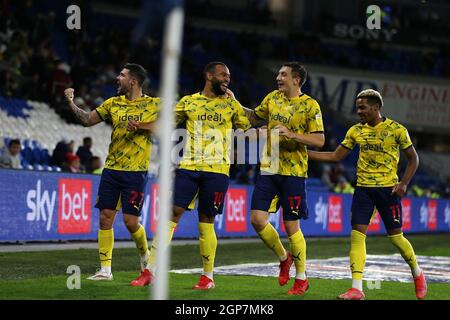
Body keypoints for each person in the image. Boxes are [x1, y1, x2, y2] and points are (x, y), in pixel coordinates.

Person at [130, 61, 252, 289]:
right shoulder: (189, 102)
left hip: (217, 171)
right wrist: (141, 125)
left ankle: (207, 277)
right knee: (171, 214)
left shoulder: (230, 106)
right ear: (209, 76)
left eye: (229, 76)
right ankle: (150, 270)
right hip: (189, 167)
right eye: (223, 75)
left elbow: (248, 126)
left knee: (206, 221)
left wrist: (236, 103)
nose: (227, 79)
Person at [308, 89, 427, 300]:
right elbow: (336, 156)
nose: (359, 111)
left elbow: (413, 159)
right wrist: (305, 154)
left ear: (376, 107)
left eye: (362, 107)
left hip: (388, 190)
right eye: (357, 108)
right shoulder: (355, 131)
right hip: (363, 190)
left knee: (396, 238)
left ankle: (417, 273)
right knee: (357, 235)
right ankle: (356, 288)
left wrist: (404, 183)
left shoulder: (397, 130)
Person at [64, 63, 160, 281]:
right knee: (105, 218)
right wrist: (70, 102)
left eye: (122, 75)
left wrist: (142, 126)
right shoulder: (112, 103)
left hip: (136, 171)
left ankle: (145, 254)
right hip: (111, 170)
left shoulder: (153, 104)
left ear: (133, 81)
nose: (117, 78)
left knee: (130, 222)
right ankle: (105, 270)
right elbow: (87, 120)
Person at [239, 62, 324, 295]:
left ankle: (302, 277)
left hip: (294, 173)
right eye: (278, 73)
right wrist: (234, 103)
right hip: (269, 168)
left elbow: (319, 141)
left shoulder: (310, 105)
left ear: (296, 80)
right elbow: (254, 118)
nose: (278, 77)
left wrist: (293, 135)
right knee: (257, 220)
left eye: (283, 74)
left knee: (291, 226)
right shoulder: (272, 98)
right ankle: (283, 258)